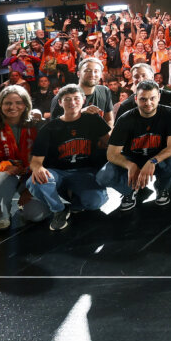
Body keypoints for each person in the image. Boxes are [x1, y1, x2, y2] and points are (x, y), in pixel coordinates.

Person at [26, 84, 112, 231]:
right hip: (57, 172)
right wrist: (38, 168)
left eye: (76, 99)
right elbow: (35, 161)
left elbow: (111, 144)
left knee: (95, 201)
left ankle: (74, 203)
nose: (72, 103)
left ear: (83, 100)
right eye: (67, 99)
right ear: (60, 102)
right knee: (35, 182)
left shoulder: (94, 120)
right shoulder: (49, 128)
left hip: (84, 171)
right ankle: (59, 209)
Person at [98, 80, 171, 209]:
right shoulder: (125, 119)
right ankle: (129, 191)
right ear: (136, 99)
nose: (148, 103)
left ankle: (161, 187)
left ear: (159, 97)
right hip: (132, 158)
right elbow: (111, 154)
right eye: (143, 99)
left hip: (157, 158)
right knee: (103, 176)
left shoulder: (170, 114)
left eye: (152, 98)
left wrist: (153, 161)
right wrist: (130, 165)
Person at [0, 84, 45, 230]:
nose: (13, 107)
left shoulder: (37, 126)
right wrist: (4, 166)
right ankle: (3, 214)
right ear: (0, 105)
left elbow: (46, 159)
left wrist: (30, 189)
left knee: (37, 215)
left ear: (26, 104)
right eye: (8, 103)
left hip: (30, 177)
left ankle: (27, 204)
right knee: (2, 178)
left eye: (19, 102)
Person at [51, 58, 115, 124]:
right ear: (78, 74)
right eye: (88, 70)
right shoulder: (62, 96)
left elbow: (109, 120)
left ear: (101, 75)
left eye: (96, 71)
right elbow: (53, 127)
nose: (92, 74)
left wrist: (108, 134)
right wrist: (78, 113)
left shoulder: (104, 91)